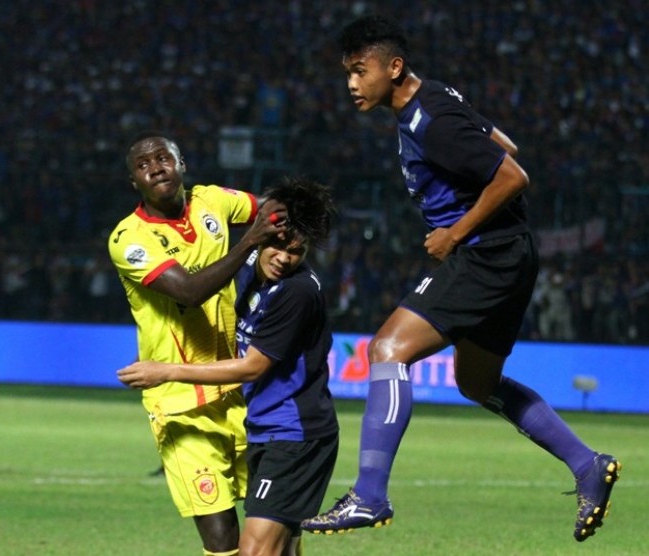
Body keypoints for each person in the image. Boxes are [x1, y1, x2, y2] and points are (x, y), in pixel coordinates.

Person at [300, 15, 621, 543]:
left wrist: (454, 233)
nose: (352, 84)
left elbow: (513, 175)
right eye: (347, 73)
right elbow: (507, 146)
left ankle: (369, 495)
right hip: (511, 254)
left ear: (394, 67)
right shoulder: (437, 98)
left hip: (483, 256)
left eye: (360, 71)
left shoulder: (431, 119)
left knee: (386, 350)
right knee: (477, 383)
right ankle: (587, 465)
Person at [119, 176, 339, 556]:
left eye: (297, 252)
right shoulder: (251, 269)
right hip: (264, 427)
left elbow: (252, 367)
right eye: (279, 246)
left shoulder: (296, 292)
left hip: (295, 433)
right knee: (282, 548)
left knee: (254, 551)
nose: (284, 258)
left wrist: (165, 370)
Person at [108, 131, 287, 556]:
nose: (155, 166)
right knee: (222, 535)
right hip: (180, 404)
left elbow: (272, 209)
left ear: (181, 163)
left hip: (240, 392)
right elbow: (188, 291)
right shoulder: (129, 239)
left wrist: (280, 239)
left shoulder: (212, 201)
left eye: (162, 157)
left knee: (278, 526)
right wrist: (250, 243)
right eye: (142, 164)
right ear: (135, 182)